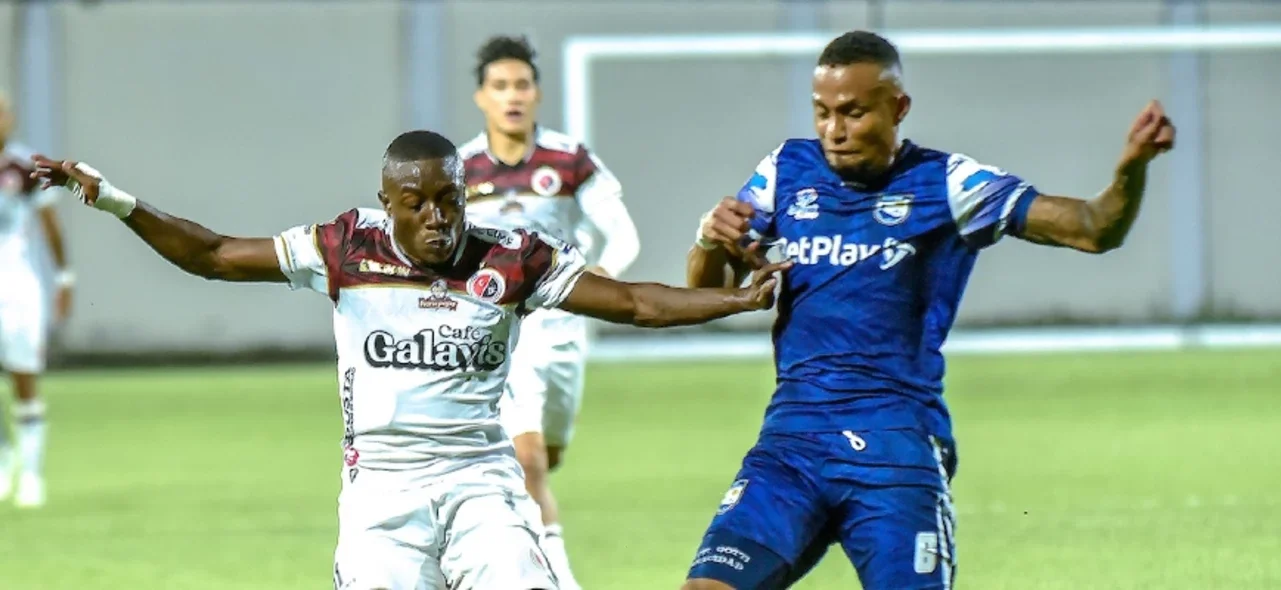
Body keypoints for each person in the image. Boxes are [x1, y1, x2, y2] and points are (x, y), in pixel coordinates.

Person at [31, 129, 787, 590]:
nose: (436, 217)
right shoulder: (344, 247)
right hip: (383, 491)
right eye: (417, 202)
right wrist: (115, 199)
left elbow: (631, 302)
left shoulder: (512, 257)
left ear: (465, 194)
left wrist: (736, 300)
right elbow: (215, 255)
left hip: (481, 481)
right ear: (386, 202)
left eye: (448, 200)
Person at [684, 31, 1175, 590]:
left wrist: (1131, 169)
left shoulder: (948, 184)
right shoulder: (785, 170)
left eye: (853, 113)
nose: (834, 131)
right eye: (822, 112)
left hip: (896, 451)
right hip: (792, 444)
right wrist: (709, 240)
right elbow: (707, 292)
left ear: (898, 109)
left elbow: (1092, 228)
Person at [461, 34, 642, 590]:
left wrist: (604, 271)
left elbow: (622, 235)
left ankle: (507, 524)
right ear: (481, 97)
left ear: (536, 93)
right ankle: (557, 579)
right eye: (500, 86)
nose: (512, 96)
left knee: (548, 453)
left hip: (562, 327)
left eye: (521, 85)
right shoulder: (461, 169)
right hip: (501, 330)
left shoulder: (568, 160)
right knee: (529, 458)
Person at [0, 92, 73, 508]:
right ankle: (3, 460)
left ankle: (31, 473)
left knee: (24, 375)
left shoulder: (25, 167)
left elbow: (50, 225)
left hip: (16, 287)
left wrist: (64, 278)